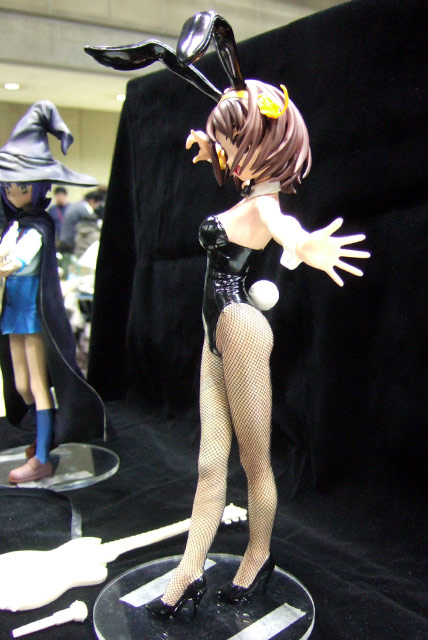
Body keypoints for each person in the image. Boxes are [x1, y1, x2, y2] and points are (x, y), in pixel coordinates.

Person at [85, 11, 370, 617]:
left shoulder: (265, 206)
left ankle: (257, 555)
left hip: (239, 326)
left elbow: (282, 226)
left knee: (255, 462)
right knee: (209, 462)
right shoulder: (244, 193)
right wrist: (210, 144)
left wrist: (306, 246)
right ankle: (188, 573)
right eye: (229, 144)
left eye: (238, 144)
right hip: (213, 330)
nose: (231, 156)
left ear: (268, 144)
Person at [0, 101, 106, 483]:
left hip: (33, 311)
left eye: (21, 185)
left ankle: (43, 455)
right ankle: (42, 438)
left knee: (38, 385)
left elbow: (15, 262)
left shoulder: (37, 228)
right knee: (21, 386)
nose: (13, 191)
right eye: (9, 185)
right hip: (14, 309)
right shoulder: (15, 225)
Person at [58, 190, 104, 255]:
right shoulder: (84, 209)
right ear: (92, 201)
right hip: (70, 242)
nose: (97, 207)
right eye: (98, 204)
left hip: (64, 239)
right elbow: (94, 223)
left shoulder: (77, 205)